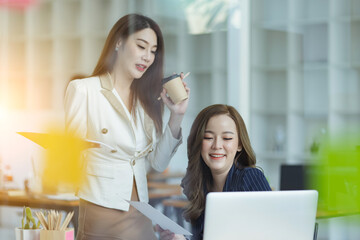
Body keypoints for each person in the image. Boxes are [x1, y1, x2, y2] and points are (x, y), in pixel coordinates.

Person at [64, 14, 190, 240]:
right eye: (141, 46)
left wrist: (176, 115)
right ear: (118, 42)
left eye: (153, 51)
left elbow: (158, 164)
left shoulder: (146, 100)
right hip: (100, 210)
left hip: (140, 210)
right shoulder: (84, 90)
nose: (147, 57)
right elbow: (69, 158)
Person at [156, 104, 271, 240]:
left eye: (227, 138)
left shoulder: (250, 178)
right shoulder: (199, 187)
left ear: (239, 144)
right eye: (208, 137)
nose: (217, 145)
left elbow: (272, 232)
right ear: (198, 142)